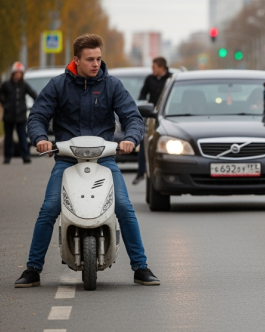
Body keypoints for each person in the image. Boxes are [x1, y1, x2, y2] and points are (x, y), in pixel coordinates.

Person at [14, 34, 160, 288]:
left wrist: (131, 139)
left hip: (104, 160)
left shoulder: (112, 85)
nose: (95, 64)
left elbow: (132, 117)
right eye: (90, 59)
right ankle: (32, 269)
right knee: (49, 208)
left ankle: (141, 267)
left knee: (124, 207)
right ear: (76, 61)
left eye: (98, 59)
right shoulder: (58, 85)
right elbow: (37, 115)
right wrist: (40, 139)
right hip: (67, 161)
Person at [133, 57, 172, 184]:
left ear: (162, 67)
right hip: (152, 115)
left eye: (154, 67)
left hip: (168, 115)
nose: (152, 69)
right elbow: (142, 94)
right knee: (145, 142)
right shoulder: (150, 79)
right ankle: (141, 172)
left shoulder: (171, 79)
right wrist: (143, 103)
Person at [0, 62, 38, 164]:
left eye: (20, 73)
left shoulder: (24, 85)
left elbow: (33, 94)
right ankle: (7, 157)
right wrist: (4, 104)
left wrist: (38, 103)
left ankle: (25, 156)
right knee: (8, 137)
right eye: (17, 73)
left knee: (22, 137)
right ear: (13, 73)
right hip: (8, 116)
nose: (18, 75)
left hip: (21, 116)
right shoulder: (6, 85)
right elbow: (0, 94)